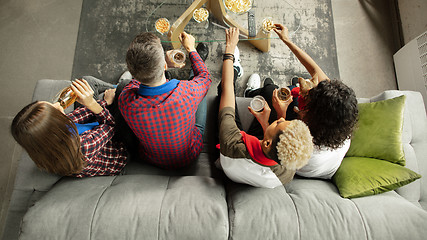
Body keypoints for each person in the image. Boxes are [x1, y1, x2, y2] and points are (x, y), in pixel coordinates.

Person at [244, 23, 359, 179]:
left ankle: (251, 92)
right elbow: (314, 70)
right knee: (283, 90)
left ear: (308, 116)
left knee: (269, 92)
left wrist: (280, 113)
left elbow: (273, 148)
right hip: (316, 136)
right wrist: (287, 40)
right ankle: (265, 89)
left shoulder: (304, 147)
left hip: (291, 162)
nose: (305, 96)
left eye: (307, 100)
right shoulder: (339, 113)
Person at [217, 27, 313, 188]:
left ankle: (235, 68)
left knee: (223, 90)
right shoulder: (287, 172)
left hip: (232, 155)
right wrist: (267, 123)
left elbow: (227, 93)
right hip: (256, 160)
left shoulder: (232, 144)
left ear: (267, 142)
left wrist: (230, 50)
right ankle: (250, 92)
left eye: (278, 123)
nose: (281, 118)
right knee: (269, 94)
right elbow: (271, 143)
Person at [119, 32, 211, 169]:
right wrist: (191, 49)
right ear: (165, 65)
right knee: (199, 88)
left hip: (153, 159)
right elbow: (205, 77)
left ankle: (168, 74)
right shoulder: (187, 92)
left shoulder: (125, 100)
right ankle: (196, 61)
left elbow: (132, 84)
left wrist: (160, 67)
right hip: (188, 155)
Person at [11, 78, 128, 177]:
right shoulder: (83, 148)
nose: (57, 104)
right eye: (54, 109)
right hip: (120, 145)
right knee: (124, 87)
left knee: (86, 81)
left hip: (98, 131)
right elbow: (112, 126)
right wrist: (94, 104)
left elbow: (80, 115)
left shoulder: (52, 136)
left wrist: (103, 102)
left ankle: (115, 90)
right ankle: (120, 88)